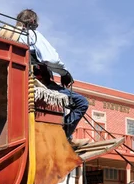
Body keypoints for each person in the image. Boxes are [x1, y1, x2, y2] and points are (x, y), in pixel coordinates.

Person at [13, 9, 90, 148]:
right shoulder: (31, 34)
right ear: (32, 22)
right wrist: (64, 73)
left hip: (19, 83)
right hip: (39, 84)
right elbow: (51, 59)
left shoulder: (12, 36)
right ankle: (65, 137)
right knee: (81, 102)